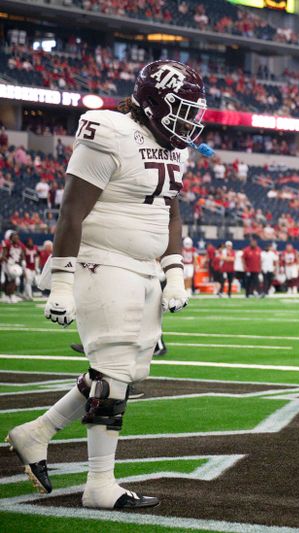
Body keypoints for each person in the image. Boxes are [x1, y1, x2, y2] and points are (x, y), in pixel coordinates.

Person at [5, 59, 204, 509]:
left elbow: (169, 210)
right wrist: (61, 281)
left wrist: (175, 270)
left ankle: (38, 432)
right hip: (101, 261)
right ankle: (100, 485)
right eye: (181, 110)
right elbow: (71, 213)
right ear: (153, 102)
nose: (188, 122)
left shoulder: (171, 146)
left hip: (144, 267)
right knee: (113, 372)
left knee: (128, 374)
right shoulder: (107, 130)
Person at [1, 230, 25, 303]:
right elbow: (3, 256)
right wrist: (8, 261)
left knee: (14, 280)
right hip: (7, 264)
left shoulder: (20, 244)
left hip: (15, 264)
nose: (17, 239)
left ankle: (10, 295)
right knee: (10, 280)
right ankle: (8, 295)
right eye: (15, 238)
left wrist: (23, 262)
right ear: (11, 238)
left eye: (17, 238)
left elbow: (22, 254)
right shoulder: (7, 243)